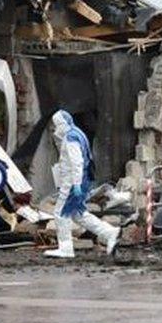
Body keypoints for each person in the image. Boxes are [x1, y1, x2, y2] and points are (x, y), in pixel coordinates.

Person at [45, 110, 120, 258]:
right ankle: (110, 232)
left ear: (62, 124)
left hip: (73, 183)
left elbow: (77, 162)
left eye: (57, 125)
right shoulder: (77, 133)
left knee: (60, 213)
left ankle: (65, 248)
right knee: (79, 215)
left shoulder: (71, 137)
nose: (55, 128)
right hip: (79, 180)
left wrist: (76, 184)